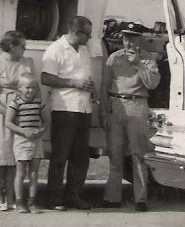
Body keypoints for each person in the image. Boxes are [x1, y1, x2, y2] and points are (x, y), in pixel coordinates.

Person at [99, 22, 160, 212]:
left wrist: (139, 64)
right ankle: (112, 197)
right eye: (126, 39)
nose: (129, 43)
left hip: (137, 105)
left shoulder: (148, 59)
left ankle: (140, 198)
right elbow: (104, 85)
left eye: (133, 38)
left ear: (139, 40)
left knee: (138, 155)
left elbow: (152, 85)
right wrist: (103, 111)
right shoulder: (113, 58)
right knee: (115, 155)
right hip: (116, 105)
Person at [41, 15, 95, 211]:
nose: (89, 38)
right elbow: (46, 77)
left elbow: (85, 77)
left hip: (84, 107)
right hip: (64, 108)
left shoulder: (83, 51)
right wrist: (74, 83)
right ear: (75, 32)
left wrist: (91, 88)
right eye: (86, 34)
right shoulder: (56, 49)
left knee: (81, 156)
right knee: (60, 155)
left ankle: (74, 196)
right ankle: (53, 198)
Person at [0, 30, 37, 211]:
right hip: (0, 113)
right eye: (23, 46)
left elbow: (34, 88)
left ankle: (12, 197)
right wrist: (7, 112)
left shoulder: (28, 63)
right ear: (11, 46)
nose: (25, 49)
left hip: (22, 112)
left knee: (15, 157)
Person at [5, 72, 48, 214]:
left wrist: (41, 131)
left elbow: (47, 121)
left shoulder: (39, 103)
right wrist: (24, 132)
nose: (30, 91)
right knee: (21, 172)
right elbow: (8, 123)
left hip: (36, 140)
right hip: (22, 141)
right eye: (27, 88)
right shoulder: (15, 104)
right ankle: (19, 202)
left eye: (33, 88)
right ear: (19, 89)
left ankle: (32, 202)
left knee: (34, 172)